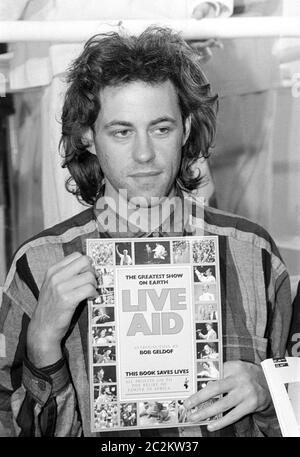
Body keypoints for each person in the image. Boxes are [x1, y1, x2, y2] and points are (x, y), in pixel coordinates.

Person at [0, 27, 292, 438]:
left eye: (161, 128)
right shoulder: (39, 265)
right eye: (122, 131)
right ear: (88, 137)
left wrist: (269, 392)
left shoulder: (253, 254)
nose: (144, 154)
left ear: (187, 129)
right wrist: (42, 347)